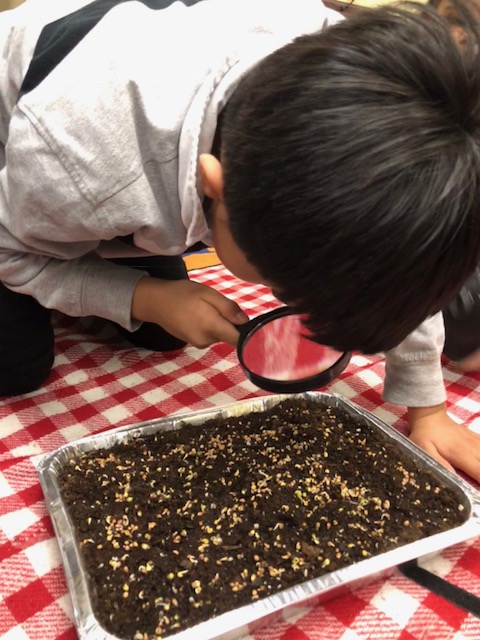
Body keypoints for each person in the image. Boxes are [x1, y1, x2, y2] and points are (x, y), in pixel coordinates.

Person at [2, 0, 480, 481]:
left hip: (110, 156)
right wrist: (143, 296)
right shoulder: (85, 163)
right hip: (31, 149)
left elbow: (399, 247)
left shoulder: (379, 86)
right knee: (19, 367)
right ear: (217, 186)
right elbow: (9, 252)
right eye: (283, 284)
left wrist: (429, 409)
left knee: (164, 334)